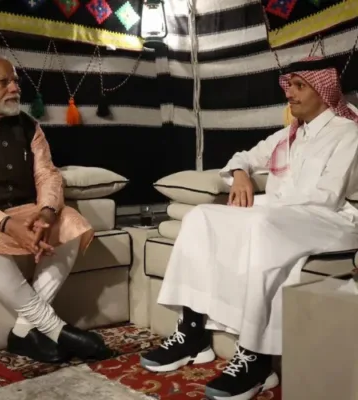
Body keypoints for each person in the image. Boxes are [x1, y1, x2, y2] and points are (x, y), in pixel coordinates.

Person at [140, 56, 358, 400]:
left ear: (322, 89)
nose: (290, 94)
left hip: (331, 221)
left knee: (261, 222)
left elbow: (325, 197)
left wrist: (261, 206)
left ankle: (256, 360)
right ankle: (193, 335)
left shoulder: (348, 132)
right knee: (202, 217)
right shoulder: (289, 136)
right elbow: (242, 157)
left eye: (300, 86)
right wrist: (240, 175)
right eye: (289, 86)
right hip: (281, 217)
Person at [0, 54, 112, 364]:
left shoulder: (29, 125)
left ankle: (22, 332)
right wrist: (3, 224)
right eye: (4, 82)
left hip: (26, 210)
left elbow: (47, 174)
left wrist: (46, 213)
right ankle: (55, 328)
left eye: (15, 81)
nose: (14, 88)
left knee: (69, 221)